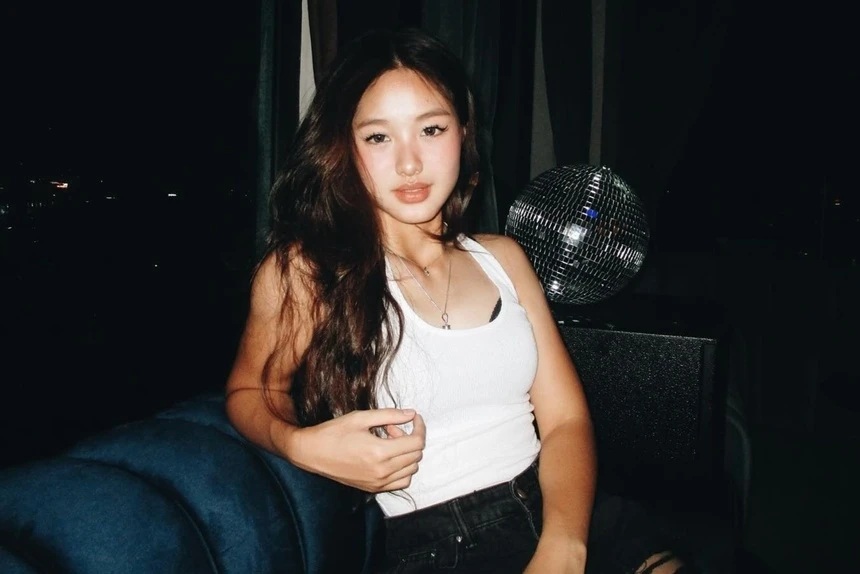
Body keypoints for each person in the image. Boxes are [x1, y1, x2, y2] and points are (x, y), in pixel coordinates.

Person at [225, 27, 694, 574]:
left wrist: (566, 544)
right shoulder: (307, 271)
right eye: (378, 137)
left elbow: (565, 419)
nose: (409, 163)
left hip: (565, 510)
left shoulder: (504, 258)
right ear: (343, 147)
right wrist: (300, 445)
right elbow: (250, 391)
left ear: (463, 133)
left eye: (431, 129)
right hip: (438, 545)